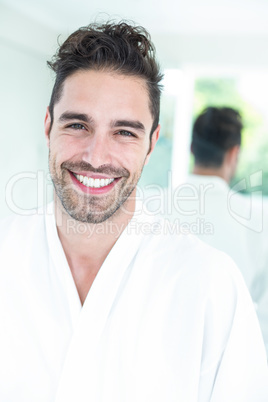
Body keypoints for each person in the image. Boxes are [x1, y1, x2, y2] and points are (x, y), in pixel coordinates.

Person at [0, 22, 267, 402]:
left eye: (125, 132)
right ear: (48, 126)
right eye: (77, 124)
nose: (95, 157)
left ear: (152, 143)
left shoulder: (210, 286)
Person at [164, 106, 268, 355]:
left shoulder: (150, 207)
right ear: (234, 154)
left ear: (192, 148)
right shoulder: (257, 218)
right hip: (230, 361)